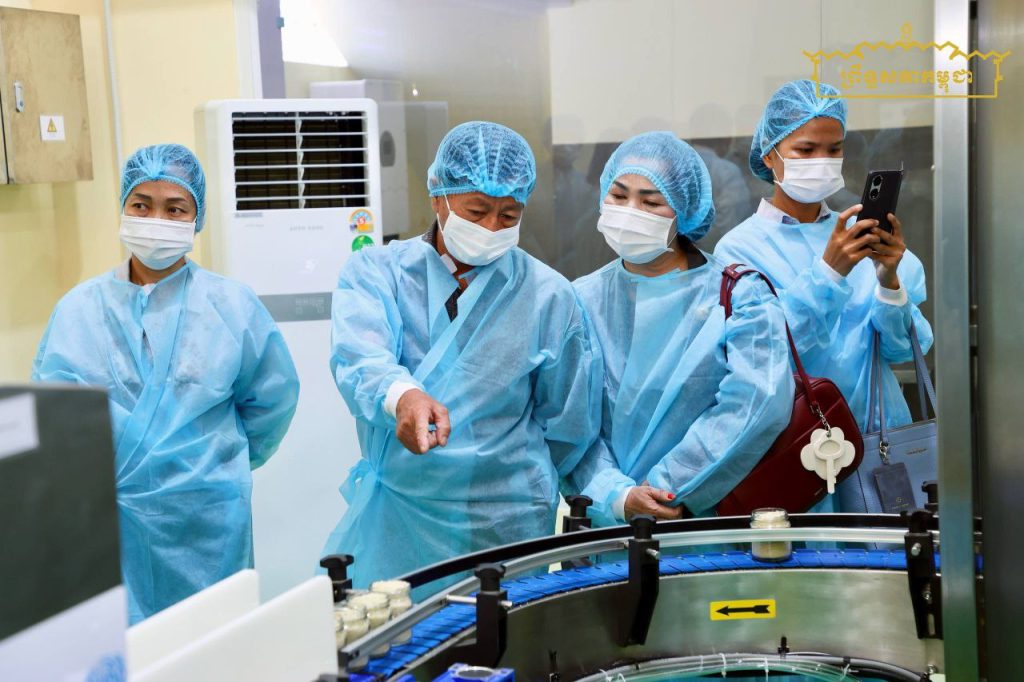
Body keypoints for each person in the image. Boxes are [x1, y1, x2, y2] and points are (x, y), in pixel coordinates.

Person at [321, 121, 603, 589]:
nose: (491, 227)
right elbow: (359, 357)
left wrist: (501, 472)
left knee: (503, 629)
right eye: (477, 211)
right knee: (397, 628)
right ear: (438, 198)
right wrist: (402, 396)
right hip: (401, 515)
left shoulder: (548, 295)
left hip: (507, 520)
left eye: (509, 215)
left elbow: (569, 424)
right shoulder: (377, 273)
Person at [33, 144, 300, 623]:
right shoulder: (78, 310)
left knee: (213, 641)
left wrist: (213, 465)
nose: (156, 219)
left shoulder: (231, 306)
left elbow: (271, 403)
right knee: (123, 646)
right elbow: (53, 415)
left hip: (206, 520)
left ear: (197, 219)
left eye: (175, 208)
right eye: (142, 205)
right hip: (106, 523)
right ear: (123, 208)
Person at [568, 132, 795, 526]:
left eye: (650, 202)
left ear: (684, 210)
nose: (630, 211)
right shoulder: (580, 300)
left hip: (708, 524)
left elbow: (757, 403)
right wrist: (616, 495)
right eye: (619, 196)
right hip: (610, 528)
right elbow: (568, 422)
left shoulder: (740, 295)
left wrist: (667, 488)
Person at [714, 80, 933, 440]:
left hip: (881, 438)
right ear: (769, 155)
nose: (822, 160)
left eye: (834, 149)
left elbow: (903, 351)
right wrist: (829, 273)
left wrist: (890, 283)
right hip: (800, 445)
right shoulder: (740, 250)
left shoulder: (857, 232)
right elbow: (765, 357)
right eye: (806, 149)